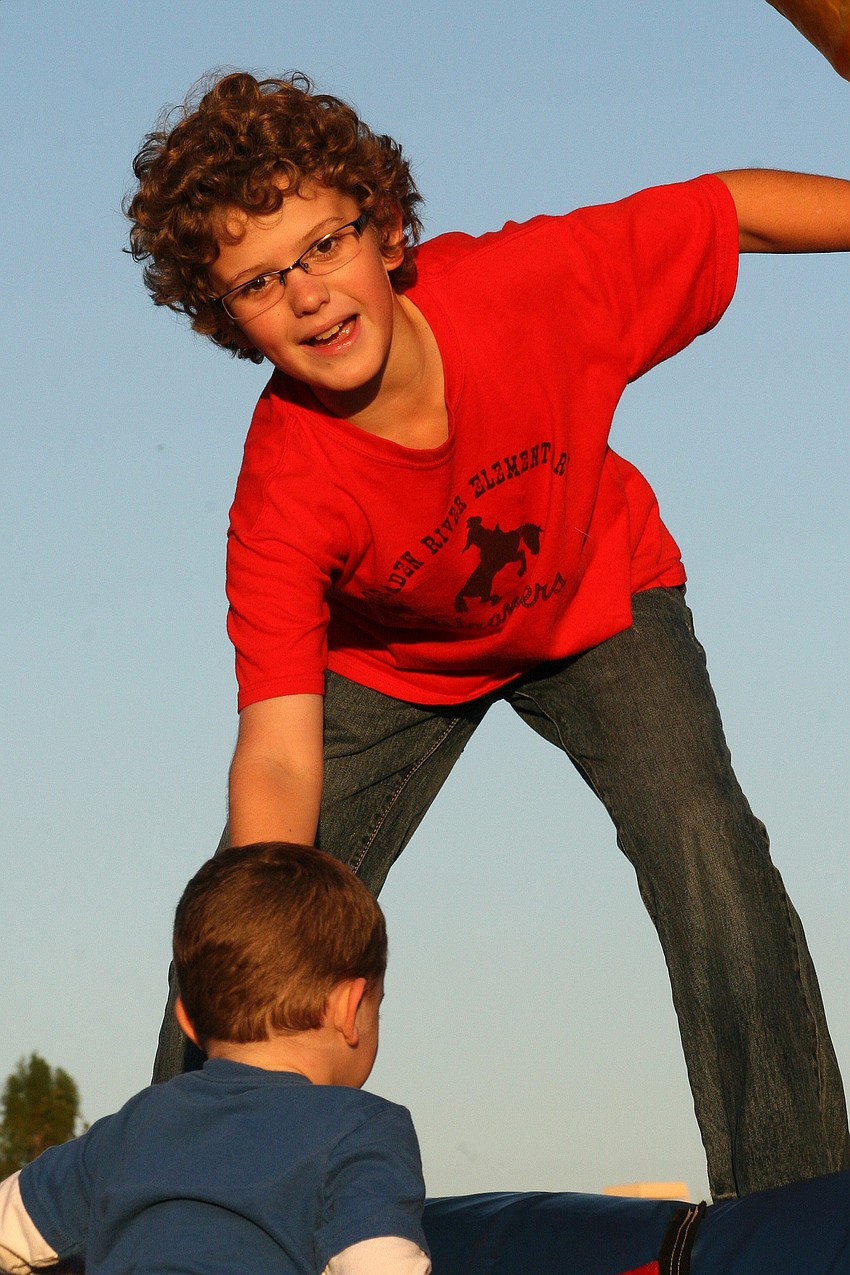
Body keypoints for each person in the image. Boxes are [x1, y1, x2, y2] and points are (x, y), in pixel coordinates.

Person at [125, 70, 850, 1201]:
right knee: (248, 917)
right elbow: (274, 750)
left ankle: (797, 1207)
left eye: (324, 246)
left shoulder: (529, 290)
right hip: (395, 663)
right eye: (262, 282)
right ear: (226, 318)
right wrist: (262, 931)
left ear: (390, 226)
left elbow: (728, 206)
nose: (309, 296)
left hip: (595, 600)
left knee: (704, 840)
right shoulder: (285, 487)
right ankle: (182, 1209)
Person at [0, 843, 431, 1275]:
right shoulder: (362, 1130)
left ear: (186, 1020)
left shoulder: (131, 1128)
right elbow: (381, 1263)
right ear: (349, 1006)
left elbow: (9, 1226)